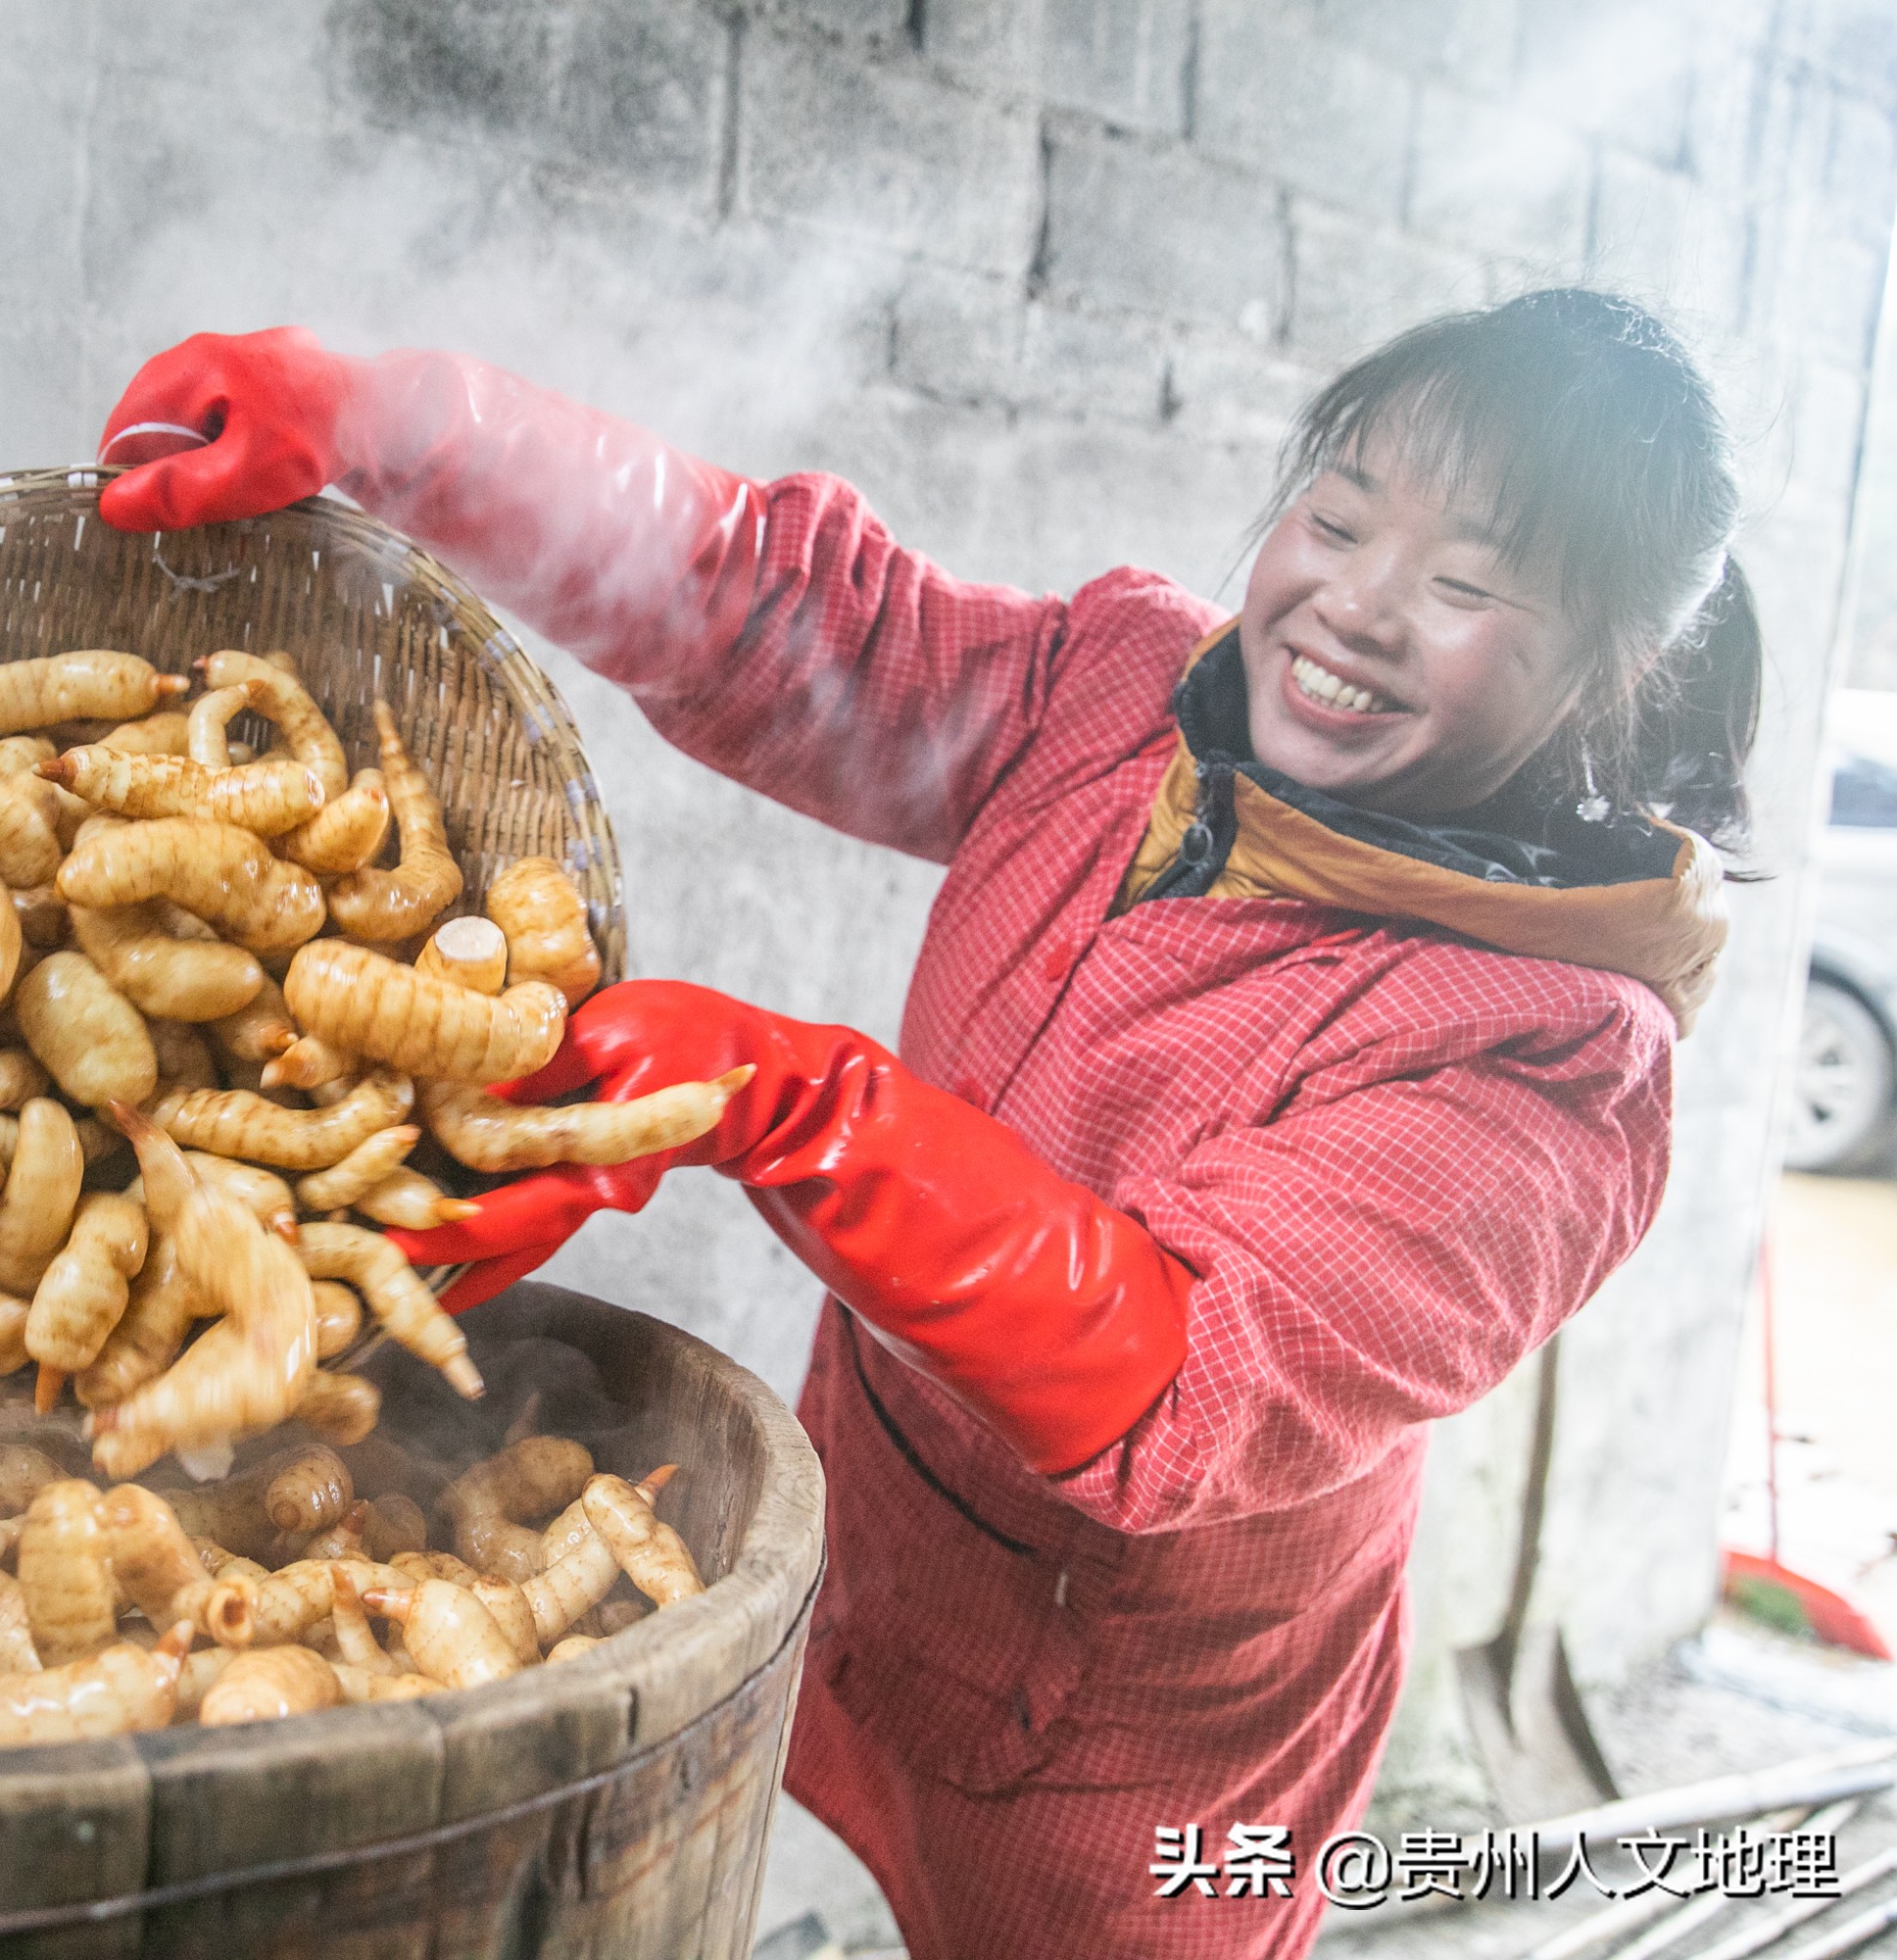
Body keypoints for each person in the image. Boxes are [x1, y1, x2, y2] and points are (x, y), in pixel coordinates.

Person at [92, 289, 1755, 1958]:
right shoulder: (1121, 698)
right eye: (1335, 517)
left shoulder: (1548, 1058)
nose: (1354, 605)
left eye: (1465, 586)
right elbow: (779, 614)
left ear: (1607, 672)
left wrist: (778, 1103)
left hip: (1144, 1736)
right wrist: (406, 426)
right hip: (893, 1529)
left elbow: (1182, 1379)